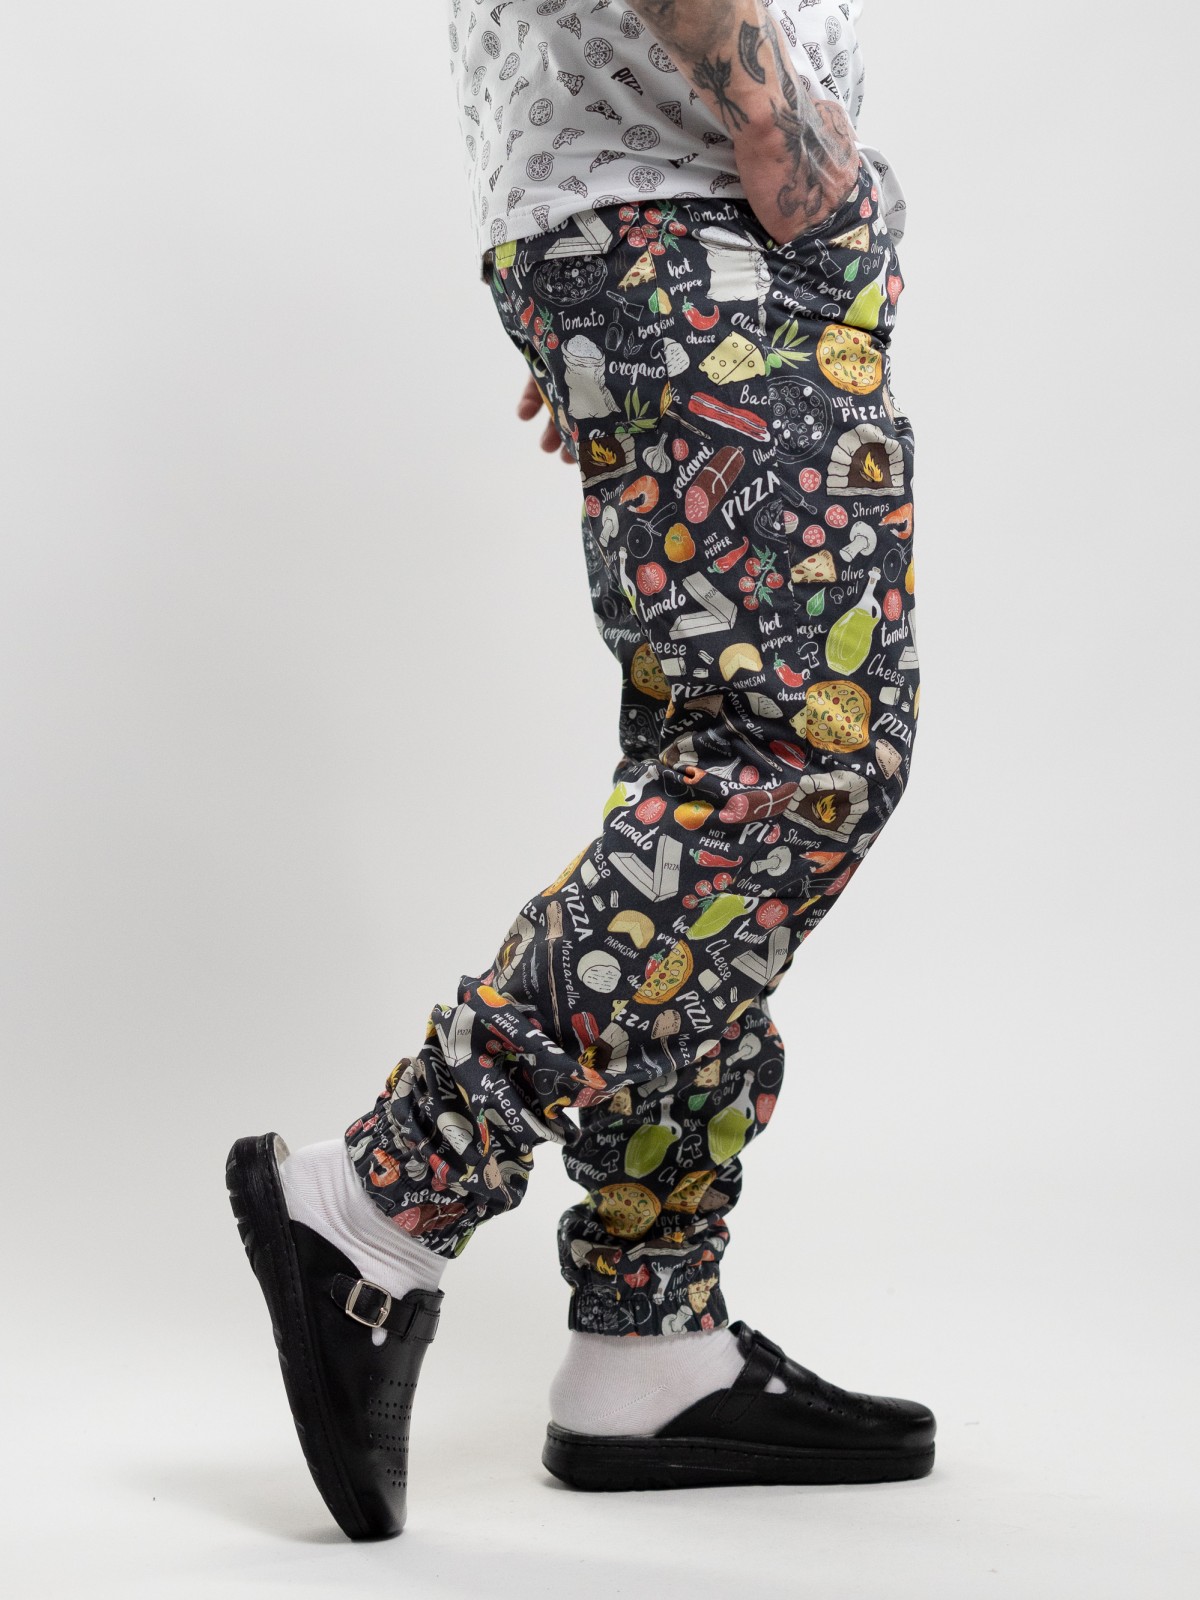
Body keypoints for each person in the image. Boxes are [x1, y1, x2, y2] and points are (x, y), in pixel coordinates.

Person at [227, 0, 932, 1541]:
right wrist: (772, 123)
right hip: (702, 206)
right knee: (793, 762)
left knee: (711, 769)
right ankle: (381, 1196)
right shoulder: (731, 156)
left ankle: (649, 1343)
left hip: (658, 218)